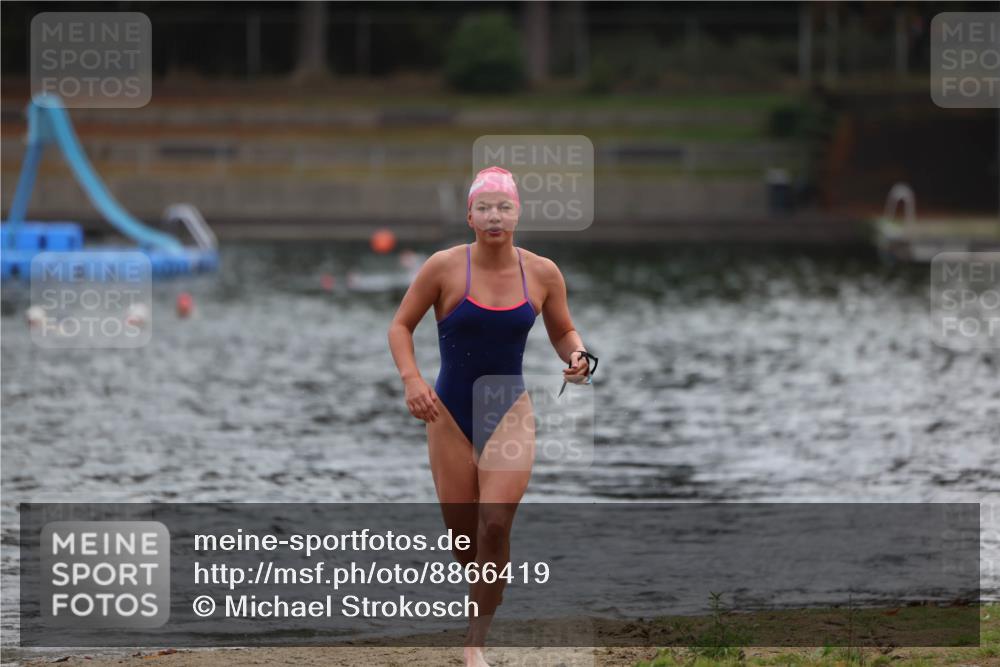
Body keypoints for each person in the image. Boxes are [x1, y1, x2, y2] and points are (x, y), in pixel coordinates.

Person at [387, 166, 592, 667]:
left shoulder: (542, 273)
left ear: (517, 213)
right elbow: (400, 326)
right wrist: (413, 382)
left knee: (495, 524)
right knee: (464, 542)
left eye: (504, 206)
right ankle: (485, 593)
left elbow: (563, 330)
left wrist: (578, 356)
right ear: (470, 216)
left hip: (509, 409)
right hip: (449, 414)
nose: (494, 215)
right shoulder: (443, 267)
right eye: (485, 207)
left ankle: (475, 641)